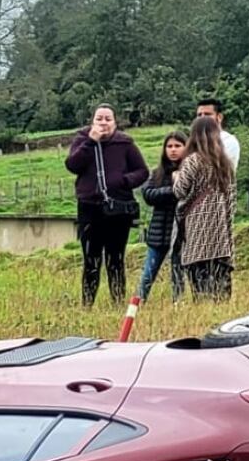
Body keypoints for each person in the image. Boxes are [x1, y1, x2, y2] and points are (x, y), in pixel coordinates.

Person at [65, 104, 148, 308]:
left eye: (108, 119)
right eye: (99, 119)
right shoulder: (82, 139)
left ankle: (118, 302)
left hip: (118, 208)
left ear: (115, 122)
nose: (103, 123)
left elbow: (142, 171)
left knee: (116, 258)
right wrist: (90, 142)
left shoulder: (125, 143)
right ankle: (87, 304)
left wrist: (123, 181)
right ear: (92, 121)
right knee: (91, 258)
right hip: (89, 207)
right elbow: (72, 165)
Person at [174, 114, 237, 300]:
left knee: (201, 291)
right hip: (221, 237)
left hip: (197, 234)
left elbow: (180, 191)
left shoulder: (193, 161)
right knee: (221, 291)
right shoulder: (226, 164)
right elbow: (232, 201)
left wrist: (176, 178)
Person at [137, 131, 188, 303]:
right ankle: (137, 305)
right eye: (169, 146)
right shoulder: (157, 173)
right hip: (158, 234)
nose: (173, 150)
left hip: (181, 235)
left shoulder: (191, 172)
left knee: (178, 276)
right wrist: (173, 189)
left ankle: (178, 306)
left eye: (177, 146)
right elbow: (148, 195)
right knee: (147, 276)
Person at [196, 98, 240, 172]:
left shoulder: (229, 141)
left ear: (219, 117)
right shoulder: (195, 140)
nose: (202, 118)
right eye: (199, 115)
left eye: (207, 114)